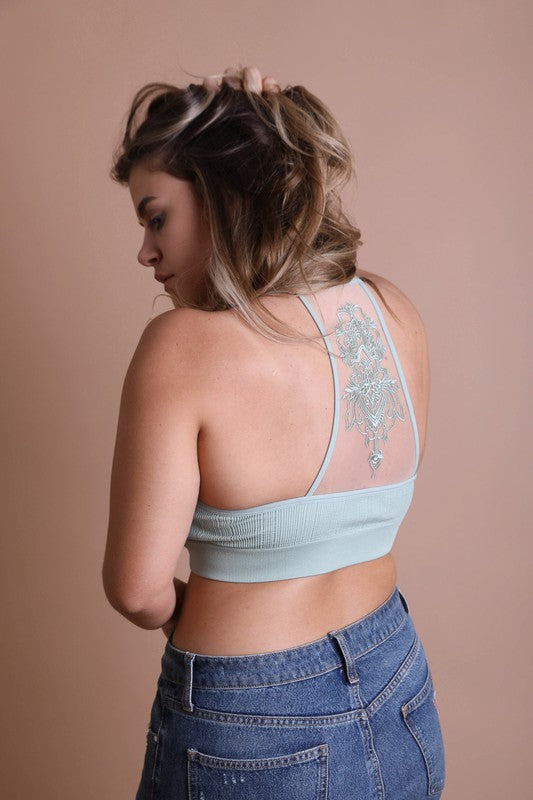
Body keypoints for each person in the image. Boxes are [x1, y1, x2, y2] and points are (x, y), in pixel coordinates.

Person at [102, 65, 446, 799]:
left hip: (252, 725)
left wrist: (190, 616)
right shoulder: (394, 313)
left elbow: (135, 589)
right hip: (398, 682)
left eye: (156, 217)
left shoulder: (181, 348)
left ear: (225, 191)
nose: (145, 253)